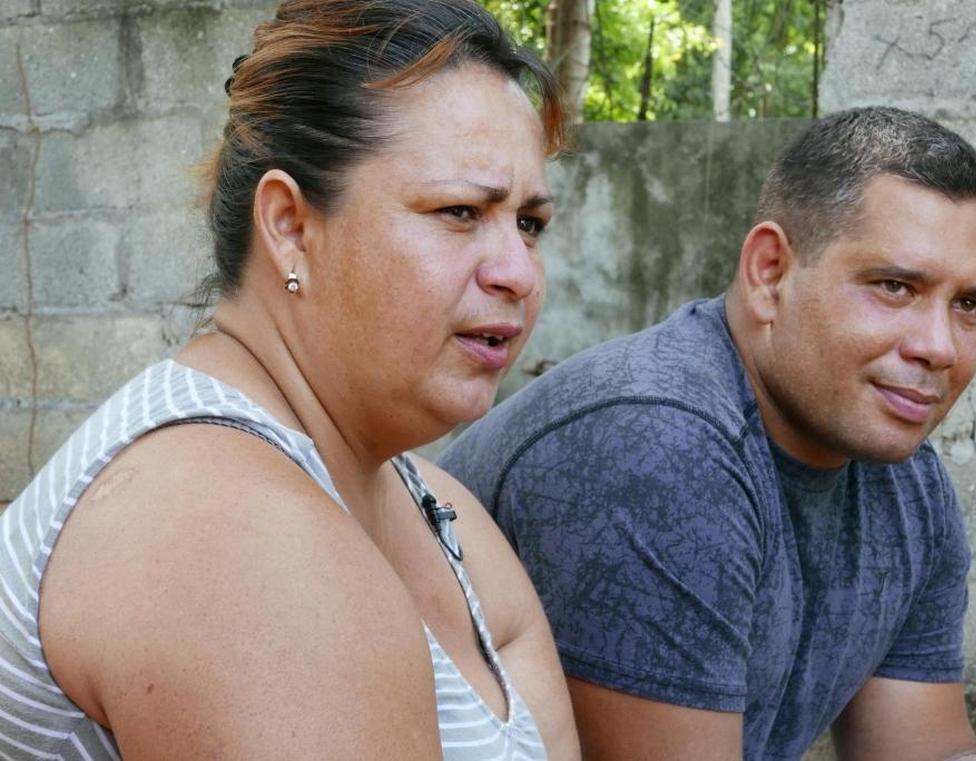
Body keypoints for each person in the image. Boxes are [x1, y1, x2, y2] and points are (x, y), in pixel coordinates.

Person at [0, 1, 581, 758]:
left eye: (529, 224)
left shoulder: (431, 504)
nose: (517, 273)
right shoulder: (230, 542)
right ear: (289, 226)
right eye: (461, 211)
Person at [439, 106, 976, 760]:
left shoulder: (909, 484)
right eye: (895, 286)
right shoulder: (660, 445)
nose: (939, 347)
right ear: (770, 273)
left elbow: (925, 750)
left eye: (969, 306)